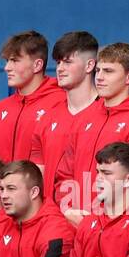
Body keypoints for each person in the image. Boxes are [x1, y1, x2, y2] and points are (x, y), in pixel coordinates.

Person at [54, 42, 129, 222]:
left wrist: (104, 222)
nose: (99, 77)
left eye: (108, 71)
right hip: (74, 224)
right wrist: (68, 208)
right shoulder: (84, 118)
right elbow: (64, 172)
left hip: (112, 228)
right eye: (98, 71)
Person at [30, 31, 100, 200]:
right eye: (58, 62)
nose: (60, 69)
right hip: (52, 220)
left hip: (93, 219)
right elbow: (36, 175)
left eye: (68, 62)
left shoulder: (107, 116)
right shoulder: (48, 119)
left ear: (89, 66)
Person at [0, 30, 67, 162]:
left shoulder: (62, 102)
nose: (7, 67)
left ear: (37, 65)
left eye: (14, 60)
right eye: (7, 61)